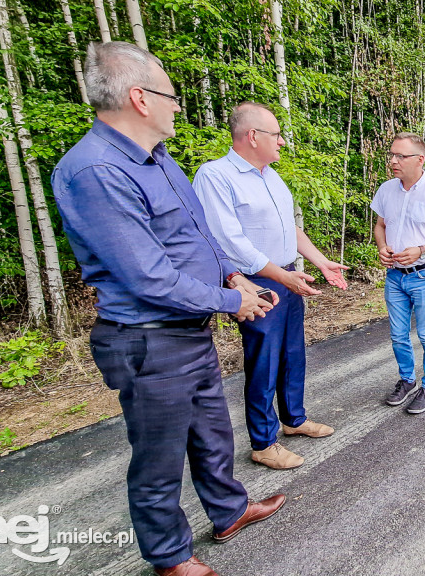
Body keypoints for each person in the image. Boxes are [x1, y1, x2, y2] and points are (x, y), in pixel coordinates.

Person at [51, 42, 284, 576]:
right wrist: (233, 301)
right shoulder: (96, 171)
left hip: (189, 331)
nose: (178, 105)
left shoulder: (159, 161)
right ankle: (170, 557)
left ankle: (227, 510)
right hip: (147, 338)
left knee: (211, 432)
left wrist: (231, 274)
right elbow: (147, 276)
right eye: (171, 95)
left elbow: (196, 237)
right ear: (139, 97)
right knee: (158, 457)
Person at [193, 102, 348, 470]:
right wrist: (281, 277)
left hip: (287, 273)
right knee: (263, 360)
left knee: (292, 354)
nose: (281, 141)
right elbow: (228, 241)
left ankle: (293, 419)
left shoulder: (271, 176)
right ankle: (263, 442)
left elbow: (289, 230)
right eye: (275, 134)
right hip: (254, 282)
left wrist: (320, 262)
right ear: (252, 136)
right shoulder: (215, 177)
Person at [372, 133, 425, 414]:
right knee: (398, 335)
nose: (393, 161)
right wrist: (383, 247)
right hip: (395, 277)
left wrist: (421, 250)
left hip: (424, 275)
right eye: (392, 155)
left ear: (419, 160)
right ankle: (407, 380)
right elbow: (380, 226)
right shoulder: (386, 190)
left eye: (400, 156)